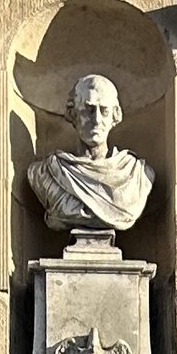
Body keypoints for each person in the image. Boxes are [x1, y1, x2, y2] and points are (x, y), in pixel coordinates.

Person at [27, 73, 153, 244]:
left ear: (115, 116)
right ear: (73, 114)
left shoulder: (137, 175)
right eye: (89, 110)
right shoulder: (47, 172)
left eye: (104, 111)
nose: (96, 120)